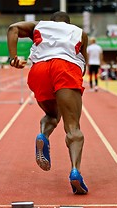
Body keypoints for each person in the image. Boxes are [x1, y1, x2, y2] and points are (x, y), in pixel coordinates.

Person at [7, 11, 88, 194]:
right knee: (73, 127)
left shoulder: (40, 25)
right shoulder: (79, 32)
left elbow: (13, 28)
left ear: (51, 22)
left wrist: (13, 57)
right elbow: (83, 64)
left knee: (52, 115)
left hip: (39, 70)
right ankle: (75, 171)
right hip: (66, 67)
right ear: (69, 23)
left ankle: (43, 135)